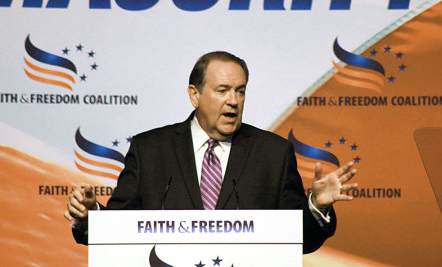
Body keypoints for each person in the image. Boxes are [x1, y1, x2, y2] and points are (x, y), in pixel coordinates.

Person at [64, 51, 357, 253]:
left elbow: (298, 239)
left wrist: (317, 206)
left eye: (240, 91)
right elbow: (120, 228)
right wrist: (91, 217)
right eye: (223, 90)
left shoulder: (273, 154)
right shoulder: (150, 150)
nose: (234, 101)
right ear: (195, 95)